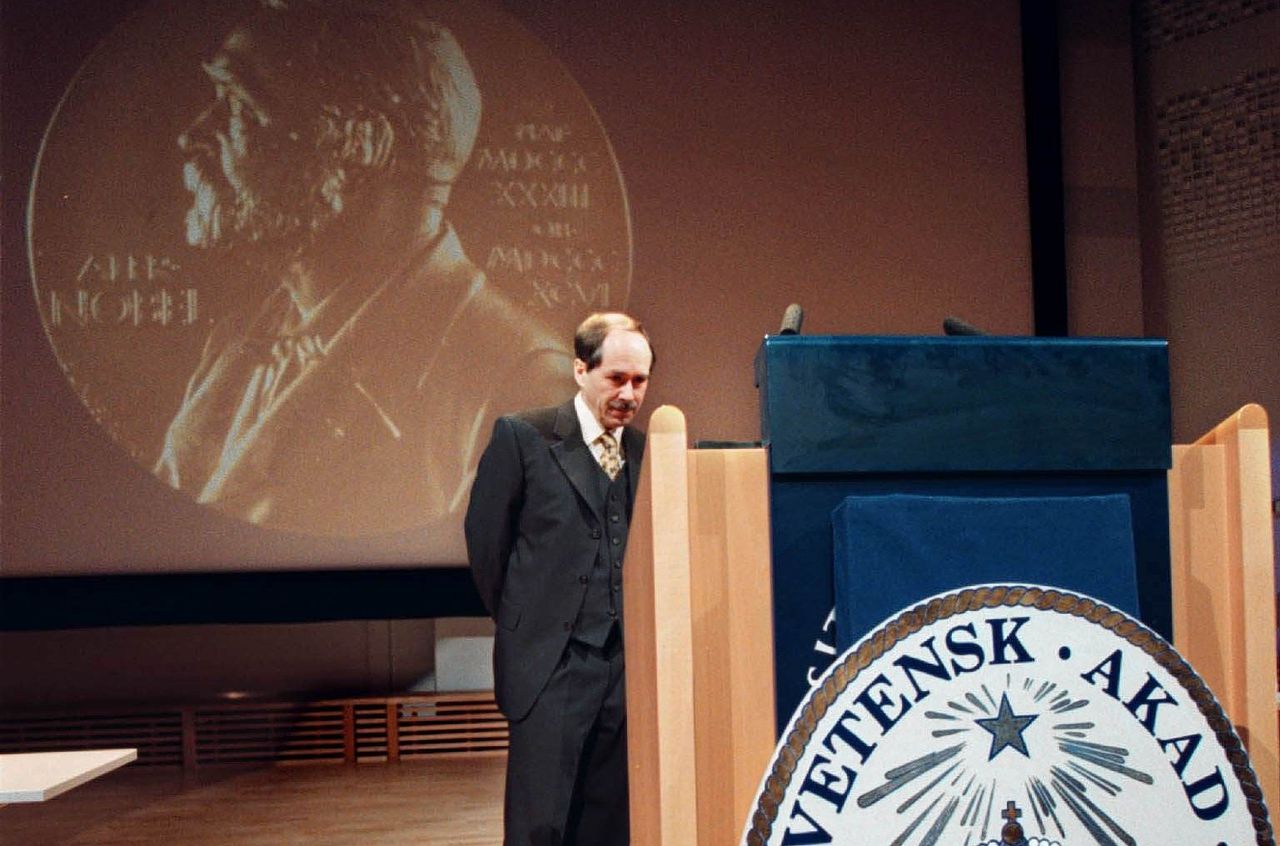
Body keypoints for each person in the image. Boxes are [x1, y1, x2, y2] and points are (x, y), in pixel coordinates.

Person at [154, 0, 571, 537]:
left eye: (238, 107)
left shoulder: (527, 390)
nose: (192, 135)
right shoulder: (239, 343)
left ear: (362, 144)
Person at [466, 312, 655, 846]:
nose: (629, 393)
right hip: (551, 662)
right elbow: (487, 544)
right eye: (616, 378)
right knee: (540, 824)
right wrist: (527, 621)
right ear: (579, 369)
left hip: (623, 669)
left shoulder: (645, 453)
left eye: (639, 381)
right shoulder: (524, 437)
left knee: (609, 821)